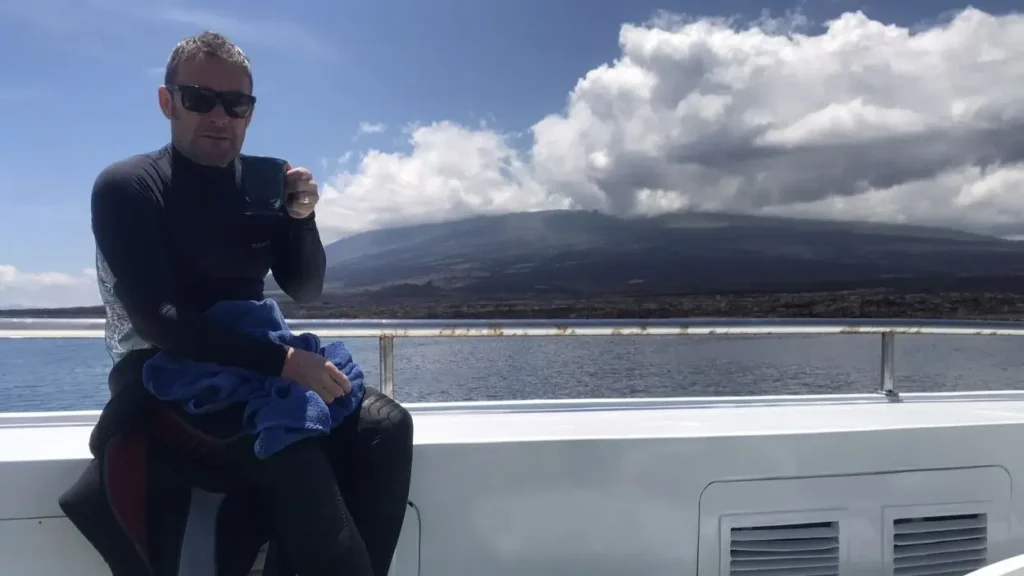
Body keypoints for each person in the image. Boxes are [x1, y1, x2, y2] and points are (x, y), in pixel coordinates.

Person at [57, 30, 413, 576]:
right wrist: (286, 363)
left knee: (388, 427)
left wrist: (302, 219)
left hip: (254, 358)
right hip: (160, 369)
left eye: (235, 103)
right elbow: (160, 320)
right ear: (167, 101)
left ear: (250, 113)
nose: (218, 115)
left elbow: (306, 288)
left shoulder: (259, 186)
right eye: (199, 98)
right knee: (291, 446)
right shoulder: (130, 187)